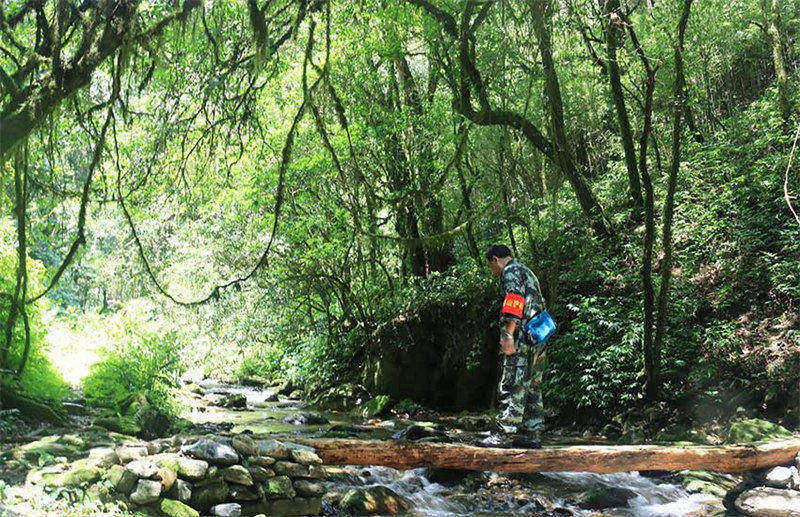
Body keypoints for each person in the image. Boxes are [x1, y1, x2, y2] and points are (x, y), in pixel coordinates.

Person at [482, 244, 546, 449]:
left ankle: (505, 434)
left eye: (491, 267)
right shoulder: (527, 271)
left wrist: (508, 333)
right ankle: (531, 433)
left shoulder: (510, 271)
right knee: (533, 384)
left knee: (513, 381)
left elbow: (514, 301)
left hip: (521, 336)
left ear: (495, 259)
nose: (494, 272)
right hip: (538, 335)